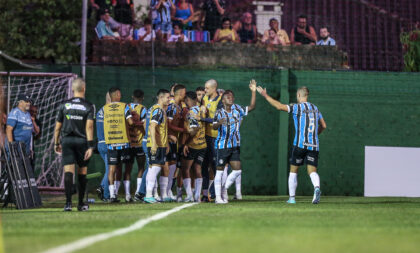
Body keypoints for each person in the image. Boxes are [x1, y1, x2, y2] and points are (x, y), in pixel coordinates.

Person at [256, 86, 327, 204]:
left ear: (299, 95)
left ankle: (292, 198)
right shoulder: (315, 108)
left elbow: (279, 106)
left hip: (299, 144)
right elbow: (323, 125)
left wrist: (265, 95)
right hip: (313, 145)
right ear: (307, 95)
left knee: (293, 171)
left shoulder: (297, 107)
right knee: (312, 171)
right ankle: (317, 188)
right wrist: (315, 135)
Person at [54, 78, 95, 211]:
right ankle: (81, 203)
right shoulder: (89, 106)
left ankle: (67, 204)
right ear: (84, 89)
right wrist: (90, 146)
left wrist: (56, 143)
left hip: (67, 141)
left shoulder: (64, 105)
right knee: (82, 171)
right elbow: (89, 127)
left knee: (68, 171)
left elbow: (57, 127)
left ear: (72, 89)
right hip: (82, 141)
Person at [212, 80, 256, 204]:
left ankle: (224, 189)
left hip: (235, 145)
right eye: (227, 97)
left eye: (232, 97)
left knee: (237, 170)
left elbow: (252, 107)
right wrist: (219, 123)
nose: (230, 99)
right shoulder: (219, 112)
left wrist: (253, 92)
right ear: (223, 100)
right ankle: (218, 198)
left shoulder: (238, 109)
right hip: (222, 146)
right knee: (220, 171)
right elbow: (213, 126)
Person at [103, 87, 134, 203]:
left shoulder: (104, 109)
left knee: (112, 169)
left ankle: (112, 195)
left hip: (111, 143)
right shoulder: (124, 106)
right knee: (126, 169)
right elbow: (130, 122)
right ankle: (127, 195)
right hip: (124, 142)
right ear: (117, 94)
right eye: (119, 93)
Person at [144, 89, 171, 203]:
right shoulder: (158, 110)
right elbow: (152, 126)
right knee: (154, 168)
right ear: (161, 98)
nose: (169, 100)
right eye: (168, 97)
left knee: (153, 168)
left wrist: (166, 143)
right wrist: (154, 143)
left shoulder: (159, 110)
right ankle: (149, 195)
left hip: (161, 144)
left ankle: (151, 195)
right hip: (156, 144)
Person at [200, 79, 223, 202]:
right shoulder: (204, 99)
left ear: (214, 89)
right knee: (204, 165)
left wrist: (202, 118)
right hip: (206, 137)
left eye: (207, 88)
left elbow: (216, 120)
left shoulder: (220, 101)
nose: (205, 90)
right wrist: (201, 109)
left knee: (216, 166)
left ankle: (215, 193)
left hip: (216, 137)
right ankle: (205, 194)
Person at [182, 91, 207, 202]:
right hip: (203, 145)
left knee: (185, 169)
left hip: (193, 145)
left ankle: (189, 195)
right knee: (197, 169)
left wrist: (186, 143)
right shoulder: (202, 110)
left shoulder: (191, 112)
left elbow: (194, 129)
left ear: (188, 100)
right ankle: (197, 196)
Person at [126, 89, 147, 202]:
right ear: (142, 98)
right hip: (139, 143)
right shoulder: (143, 109)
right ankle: (138, 193)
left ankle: (127, 195)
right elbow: (144, 125)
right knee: (141, 168)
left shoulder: (126, 107)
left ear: (132, 96)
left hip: (128, 143)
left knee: (127, 170)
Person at [166, 85, 187, 202]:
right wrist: (182, 130)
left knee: (173, 167)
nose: (185, 94)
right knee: (165, 167)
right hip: (168, 140)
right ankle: (160, 192)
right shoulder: (172, 106)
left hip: (174, 141)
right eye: (184, 92)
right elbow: (168, 124)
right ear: (180, 93)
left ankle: (168, 191)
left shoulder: (179, 107)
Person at [96, 92, 112, 201]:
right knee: (110, 169)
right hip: (108, 143)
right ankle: (106, 194)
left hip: (100, 143)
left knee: (109, 169)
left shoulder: (100, 111)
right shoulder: (111, 111)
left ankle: (102, 186)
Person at [29, 104, 41, 172]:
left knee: (31, 169)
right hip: (21, 147)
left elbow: (37, 132)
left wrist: (33, 121)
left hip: (30, 149)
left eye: (35, 112)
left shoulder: (37, 122)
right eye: (31, 111)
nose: (33, 113)